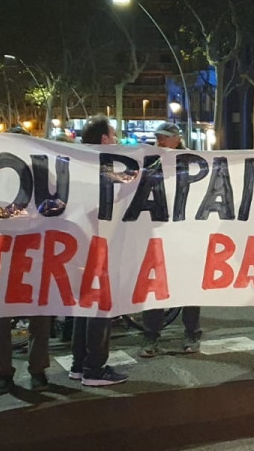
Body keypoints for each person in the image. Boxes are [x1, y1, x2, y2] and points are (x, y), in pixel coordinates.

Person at [0, 126, 53, 395]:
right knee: (1, 318)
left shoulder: (44, 174)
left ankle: (37, 370)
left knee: (40, 314)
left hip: (37, 250)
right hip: (5, 252)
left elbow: (57, 207)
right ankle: (4, 373)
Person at [69, 115, 129, 387]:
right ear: (104, 139)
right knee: (100, 308)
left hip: (78, 244)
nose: (116, 139)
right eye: (113, 135)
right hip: (100, 244)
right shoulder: (109, 167)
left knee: (84, 306)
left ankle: (78, 364)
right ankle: (94, 368)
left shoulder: (76, 163)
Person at [137, 122, 204, 358]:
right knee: (154, 289)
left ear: (176, 139)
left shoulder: (192, 164)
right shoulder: (151, 162)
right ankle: (150, 338)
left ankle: (192, 335)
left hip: (186, 237)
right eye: (157, 137)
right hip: (159, 235)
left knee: (188, 288)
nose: (159, 141)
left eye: (164, 137)